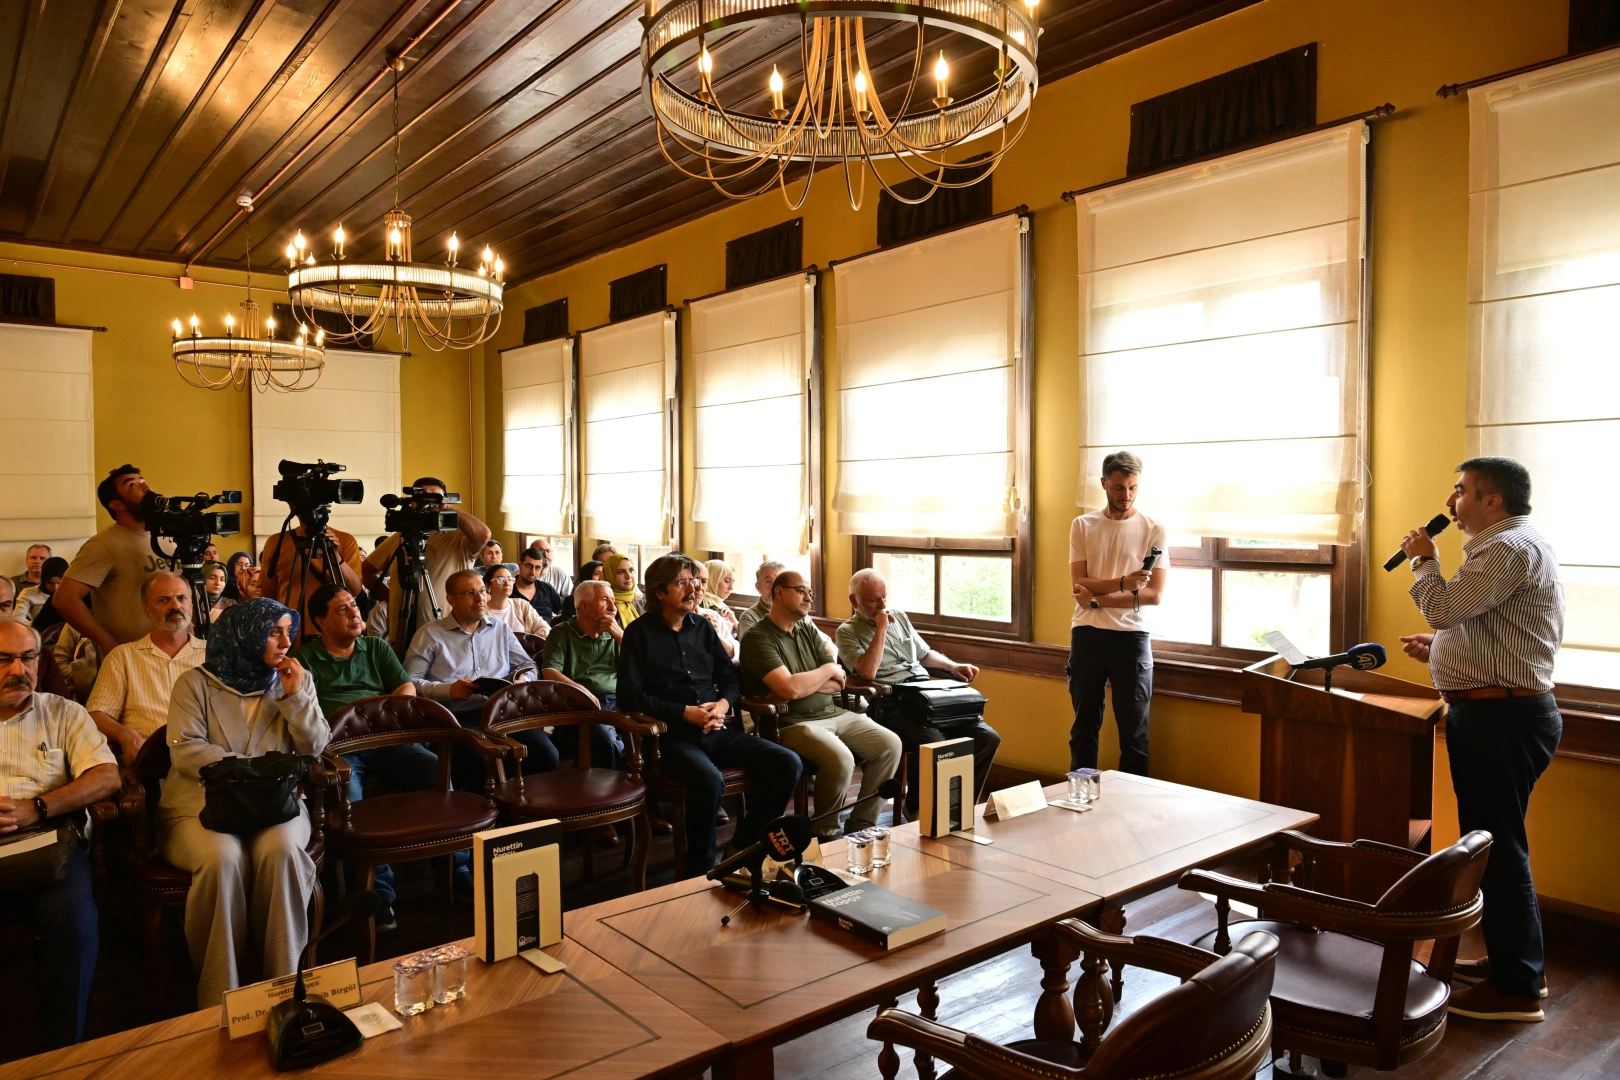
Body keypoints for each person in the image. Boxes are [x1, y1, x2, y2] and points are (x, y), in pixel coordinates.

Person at [1397, 457, 1564, 1022]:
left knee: (1498, 849)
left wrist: (1424, 560)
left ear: (1492, 500)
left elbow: (1444, 607)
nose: (1451, 501)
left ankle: (1518, 989)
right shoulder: (1509, 546)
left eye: (1461, 490)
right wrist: (1442, 647)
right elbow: (1480, 624)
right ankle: (1514, 964)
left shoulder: (1506, 548)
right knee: (1494, 844)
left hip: (1502, 720)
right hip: (1500, 714)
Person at [158, 599, 328, 1007]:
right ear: (244, 635)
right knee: (223, 858)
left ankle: (285, 985)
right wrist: (255, 770)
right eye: (274, 632)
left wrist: (296, 698)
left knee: (282, 851)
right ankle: (220, 994)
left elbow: (316, 747)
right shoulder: (194, 684)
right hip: (201, 804)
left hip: (276, 804)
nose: (286, 641)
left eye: (288, 631)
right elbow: (186, 751)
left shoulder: (294, 679)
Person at [618, 554, 801, 877]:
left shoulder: (702, 627)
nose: (693, 589)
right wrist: (683, 713)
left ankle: (741, 847)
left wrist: (723, 706)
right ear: (660, 592)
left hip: (716, 729)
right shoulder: (638, 633)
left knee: (788, 763)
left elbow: (730, 678)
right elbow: (629, 696)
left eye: (694, 581)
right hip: (670, 739)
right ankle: (699, 872)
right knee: (709, 781)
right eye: (682, 583)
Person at [0, 617, 120, 1048]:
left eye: (28, 658)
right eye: (4, 660)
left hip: (49, 844)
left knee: (75, 920)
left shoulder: (63, 712)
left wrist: (38, 807)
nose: (19, 670)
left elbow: (107, 776)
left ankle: (62, 1050)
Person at [292, 584, 431, 931]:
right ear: (321, 621)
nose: (355, 613)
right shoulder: (306, 658)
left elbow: (406, 687)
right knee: (351, 809)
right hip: (339, 750)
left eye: (354, 605)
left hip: (385, 738)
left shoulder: (376, 647)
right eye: (342, 609)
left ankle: (459, 869)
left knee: (435, 770)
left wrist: (388, 709)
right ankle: (377, 896)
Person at [740, 571, 900, 840]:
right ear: (778, 592)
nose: (808, 598)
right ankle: (825, 832)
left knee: (890, 744)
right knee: (841, 759)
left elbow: (838, 680)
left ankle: (862, 824)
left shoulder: (806, 626)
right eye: (801, 590)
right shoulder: (758, 637)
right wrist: (822, 673)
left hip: (832, 712)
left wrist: (804, 682)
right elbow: (792, 688)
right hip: (790, 723)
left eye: (810, 593)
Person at [838, 567, 1000, 811]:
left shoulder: (899, 617)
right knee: (934, 741)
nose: (882, 605)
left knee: (987, 738)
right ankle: (917, 807)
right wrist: (881, 629)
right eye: (873, 600)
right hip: (891, 702)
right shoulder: (847, 632)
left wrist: (953, 666)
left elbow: (924, 654)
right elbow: (867, 672)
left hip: (926, 697)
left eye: (884, 597)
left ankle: (959, 807)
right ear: (854, 601)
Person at [1067, 451, 1168, 776]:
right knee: (1084, 729)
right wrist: (1124, 583)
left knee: (1134, 733)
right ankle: (1080, 797)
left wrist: (1098, 600)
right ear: (1104, 484)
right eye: (1119, 488)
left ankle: (1131, 802)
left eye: (1133, 488)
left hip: (1132, 638)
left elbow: (1152, 595)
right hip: (1088, 636)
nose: (1126, 495)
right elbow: (1078, 583)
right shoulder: (1082, 525)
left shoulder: (1153, 528)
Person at [404, 568, 549, 790]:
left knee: (547, 756)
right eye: (470, 593)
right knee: (481, 765)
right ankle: (488, 805)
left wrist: (524, 680)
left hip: (502, 711)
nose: (480, 598)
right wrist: (447, 690)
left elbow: (527, 665)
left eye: (482, 591)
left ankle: (519, 801)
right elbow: (410, 681)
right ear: (451, 599)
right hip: (457, 717)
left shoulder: (499, 628)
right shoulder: (430, 634)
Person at [86, 571, 207, 762]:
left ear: (191, 604)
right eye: (163, 600)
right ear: (146, 609)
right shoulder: (123, 657)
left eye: (181, 598)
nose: (175, 606)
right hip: (150, 761)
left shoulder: (213, 655)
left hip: (204, 758)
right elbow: (96, 715)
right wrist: (126, 735)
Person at [363, 477, 492, 648]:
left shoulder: (458, 537)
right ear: (413, 502)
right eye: (424, 498)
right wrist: (389, 598)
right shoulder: (401, 537)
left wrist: (446, 507)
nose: (430, 504)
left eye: (435, 497)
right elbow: (366, 570)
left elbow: (484, 535)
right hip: (403, 632)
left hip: (448, 635)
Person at [57, 465, 166, 656]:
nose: (146, 487)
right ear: (117, 504)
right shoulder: (104, 544)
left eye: (143, 481)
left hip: (178, 652)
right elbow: (65, 599)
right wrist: (105, 641)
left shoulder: (168, 537)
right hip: (132, 656)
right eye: (132, 485)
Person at [259, 512, 364, 634]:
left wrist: (335, 556)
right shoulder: (277, 542)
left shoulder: (345, 540)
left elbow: (354, 590)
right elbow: (268, 598)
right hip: (290, 633)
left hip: (335, 633)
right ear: (292, 505)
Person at [485, 564, 550, 638]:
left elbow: (544, 627)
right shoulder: (482, 613)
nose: (507, 583)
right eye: (501, 580)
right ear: (487, 585)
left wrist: (532, 641)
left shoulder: (522, 605)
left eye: (510, 579)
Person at [694, 561, 739, 659]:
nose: (731, 587)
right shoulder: (699, 603)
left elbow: (736, 651)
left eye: (704, 581)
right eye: (726, 581)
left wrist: (733, 620)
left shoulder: (721, 604)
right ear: (713, 580)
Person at [512, 547, 564, 623]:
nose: (533, 572)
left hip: (547, 630)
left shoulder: (547, 589)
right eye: (529, 566)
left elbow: (563, 610)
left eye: (538, 567)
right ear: (520, 564)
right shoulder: (507, 589)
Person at [734, 560, 784, 639]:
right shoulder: (748, 618)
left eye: (779, 581)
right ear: (758, 587)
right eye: (768, 581)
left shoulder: (795, 612)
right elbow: (754, 646)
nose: (774, 587)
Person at [16, 556, 68, 624]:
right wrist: (36, 626)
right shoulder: (28, 593)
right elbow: (17, 618)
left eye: (59, 583)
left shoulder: (74, 594)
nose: (55, 588)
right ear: (44, 581)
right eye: (50, 583)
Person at [606, 554, 644, 629]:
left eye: (631, 570)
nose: (628, 576)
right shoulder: (604, 606)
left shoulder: (642, 604)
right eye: (621, 572)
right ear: (610, 575)